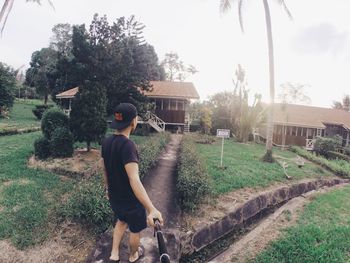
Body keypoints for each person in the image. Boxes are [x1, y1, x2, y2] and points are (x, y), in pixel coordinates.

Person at [101, 103, 163, 263]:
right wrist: (151, 208)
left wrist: (108, 189)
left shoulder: (106, 142)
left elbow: (105, 170)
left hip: (115, 196)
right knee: (135, 229)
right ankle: (133, 255)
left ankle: (114, 254)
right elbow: (134, 178)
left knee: (121, 220)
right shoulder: (128, 146)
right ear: (134, 121)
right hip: (130, 199)